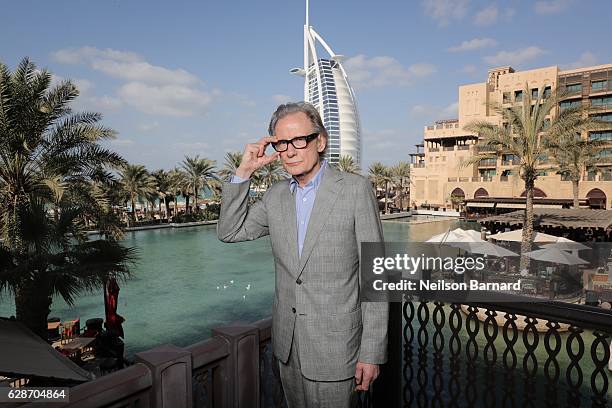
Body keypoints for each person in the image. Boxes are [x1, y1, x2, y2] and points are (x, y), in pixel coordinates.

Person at [217, 102, 388, 407]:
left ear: (320, 141)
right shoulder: (275, 196)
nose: (290, 151)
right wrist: (244, 172)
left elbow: (376, 275)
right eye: (282, 143)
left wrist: (371, 353)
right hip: (287, 348)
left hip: (337, 351)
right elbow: (229, 231)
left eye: (299, 140)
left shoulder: (354, 190)